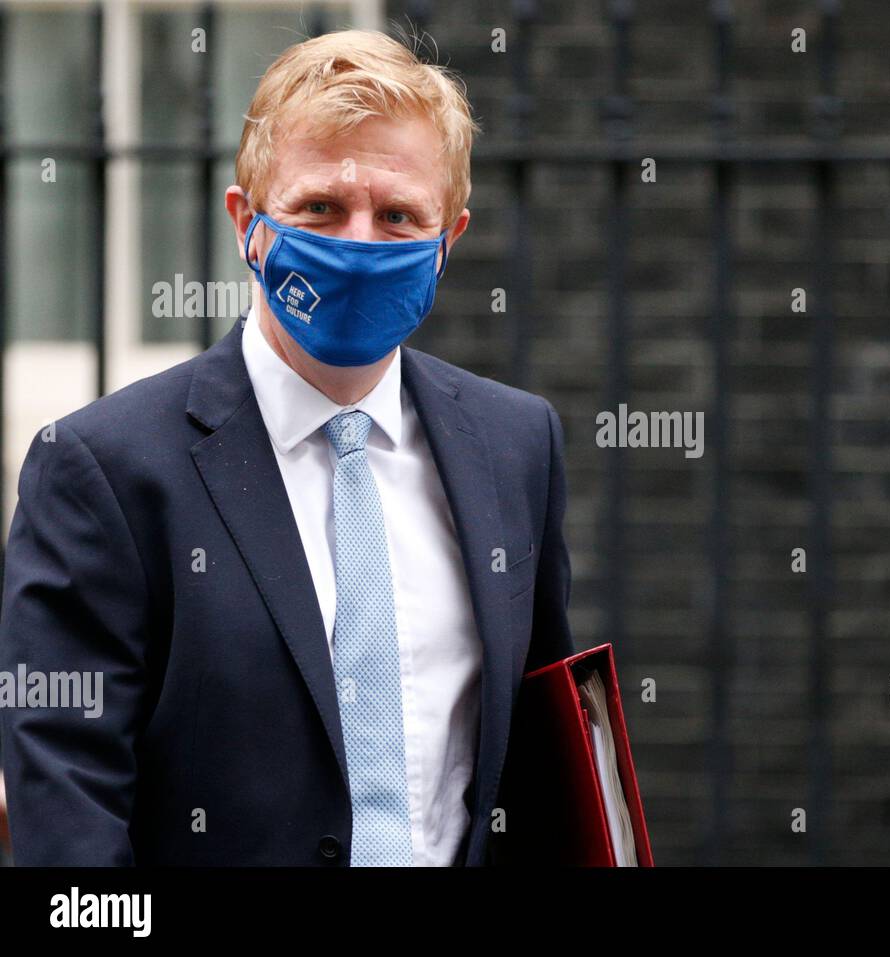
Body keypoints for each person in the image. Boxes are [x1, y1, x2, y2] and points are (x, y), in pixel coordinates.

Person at [0, 29, 574, 866]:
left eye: (399, 215)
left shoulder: (517, 444)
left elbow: (542, 765)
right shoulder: (104, 471)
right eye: (320, 208)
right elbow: (70, 830)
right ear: (249, 224)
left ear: (448, 239)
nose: (360, 243)